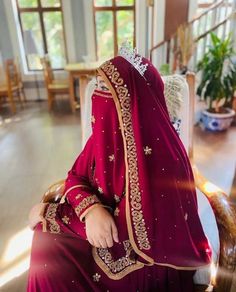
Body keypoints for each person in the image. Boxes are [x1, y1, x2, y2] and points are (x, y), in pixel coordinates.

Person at [27, 47, 212, 292]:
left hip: (143, 261)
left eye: (106, 89)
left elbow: (134, 235)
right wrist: (90, 210)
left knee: (46, 234)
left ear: (130, 102)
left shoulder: (162, 155)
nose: (97, 95)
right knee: (45, 242)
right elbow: (75, 177)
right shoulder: (103, 137)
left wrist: (52, 214)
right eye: (99, 86)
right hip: (99, 235)